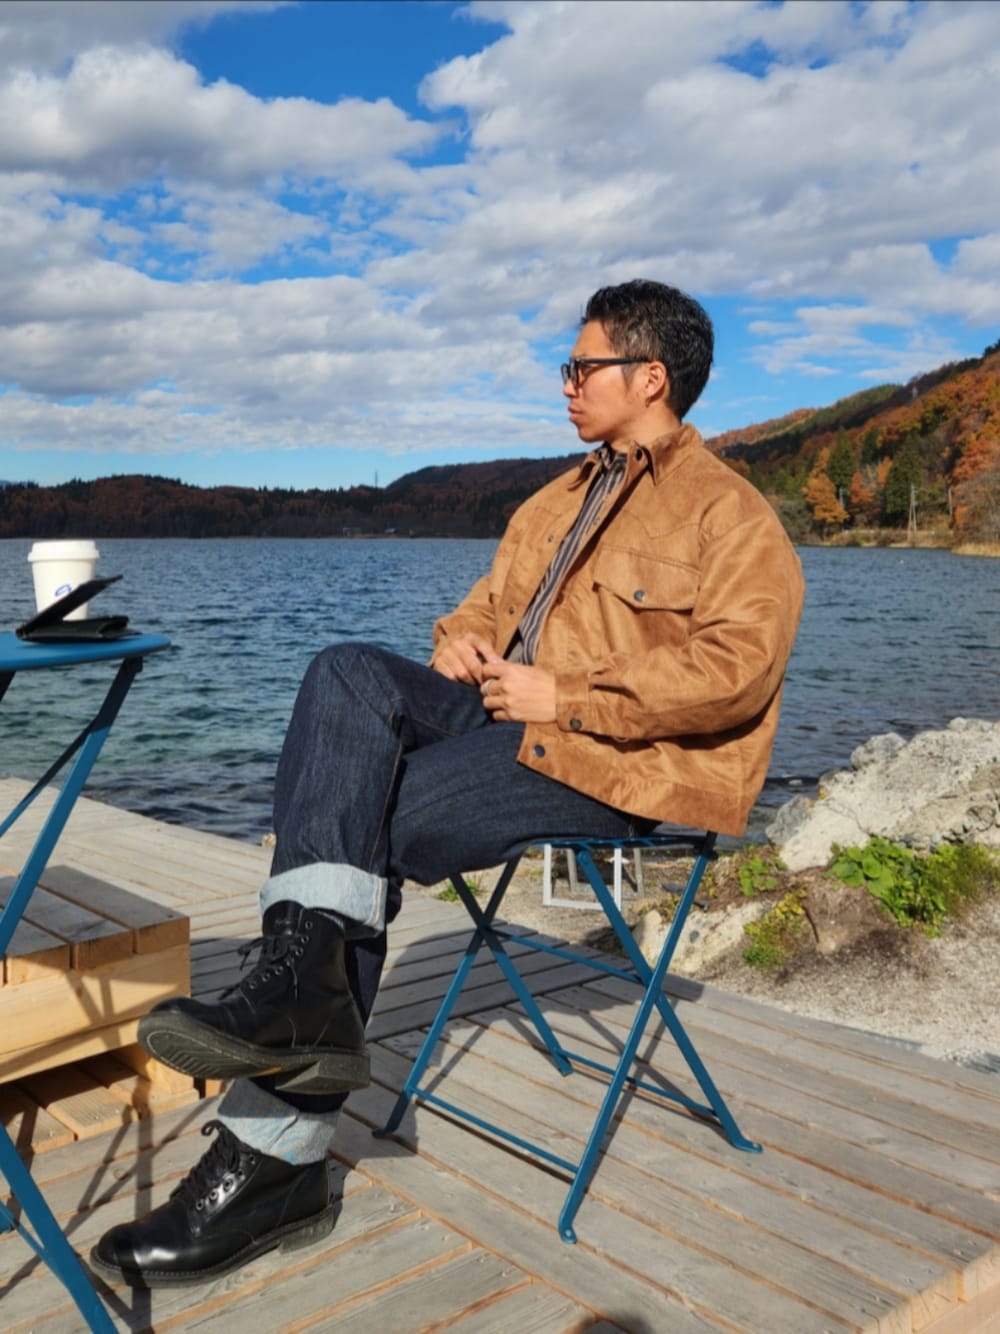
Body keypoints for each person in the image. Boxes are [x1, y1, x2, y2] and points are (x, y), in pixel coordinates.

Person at [92, 279, 805, 1288]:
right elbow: (476, 610)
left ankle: (270, 1159)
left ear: (650, 376)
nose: (566, 383)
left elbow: (738, 669)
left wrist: (567, 694)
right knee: (345, 670)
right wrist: (460, 643)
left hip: (618, 761)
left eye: (582, 365)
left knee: (359, 823)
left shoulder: (729, 513)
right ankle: (303, 999)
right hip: (510, 723)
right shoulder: (555, 501)